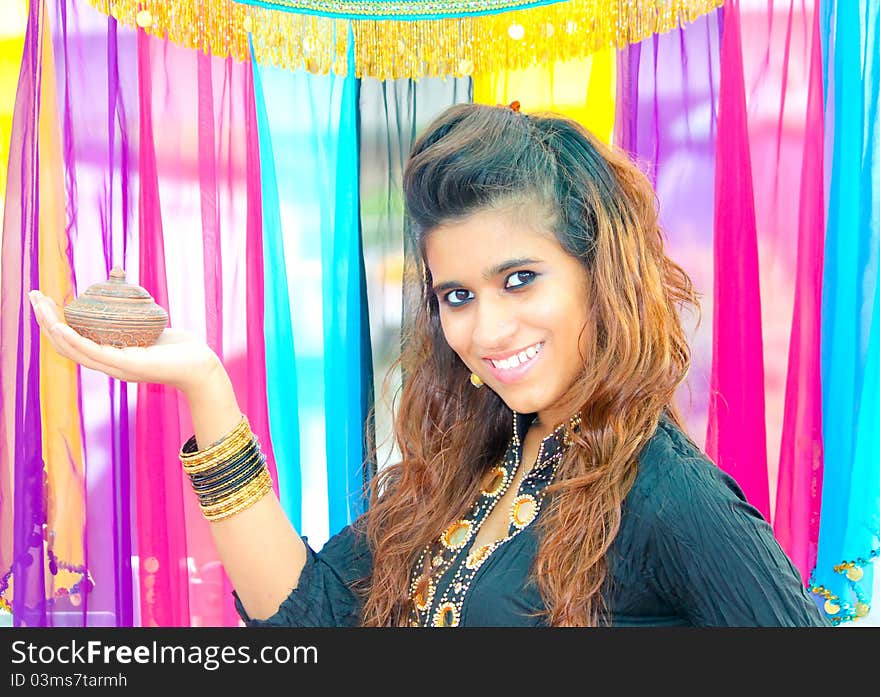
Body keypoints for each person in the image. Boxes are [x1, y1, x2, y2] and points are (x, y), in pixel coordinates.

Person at [28, 102, 831, 627]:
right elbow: (312, 619)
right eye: (456, 295)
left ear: (599, 275)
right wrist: (206, 386)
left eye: (520, 280)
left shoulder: (668, 494)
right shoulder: (470, 466)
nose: (487, 327)